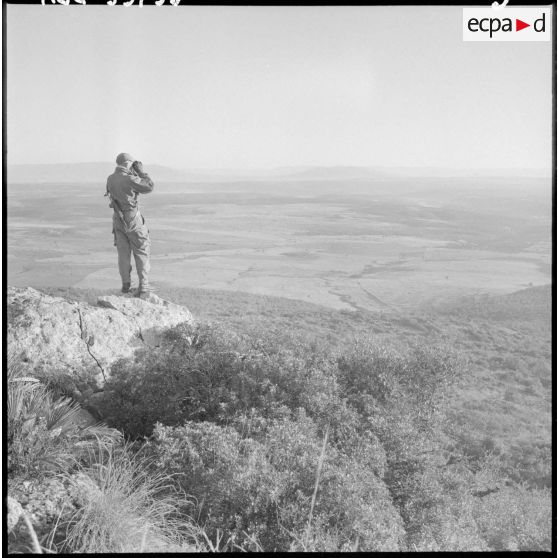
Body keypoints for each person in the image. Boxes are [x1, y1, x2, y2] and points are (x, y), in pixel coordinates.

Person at [105, 152, 154, 297]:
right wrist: (140, 171)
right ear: (128, 164)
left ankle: (125, 286)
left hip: (118, 220)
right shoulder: (129, 178)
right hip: (133, 219)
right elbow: (149, 186)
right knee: (141, 250)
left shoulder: (110, 178)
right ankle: (144, 287)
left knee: (123, 253)